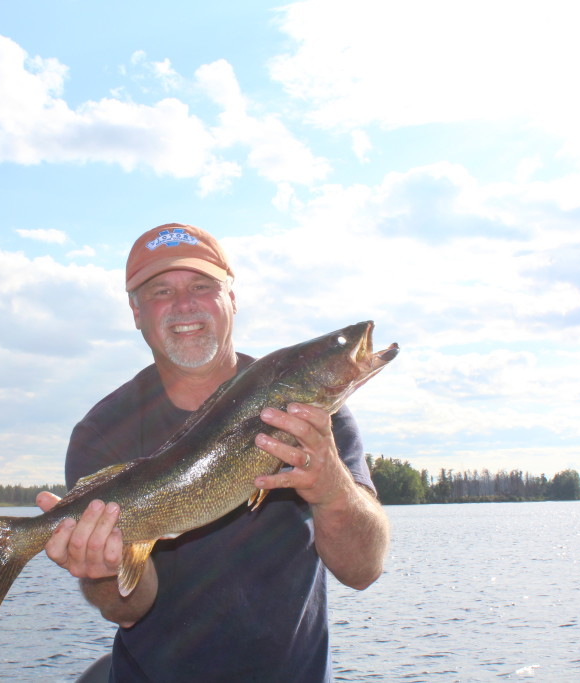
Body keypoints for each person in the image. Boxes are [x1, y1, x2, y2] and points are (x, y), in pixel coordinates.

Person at [35, 223, 390, 682]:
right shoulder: (103, 433)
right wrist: (102, 571)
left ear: (232, 298)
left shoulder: (314, 420)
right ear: (136, 311)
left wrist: (332, 487)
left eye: (202, 286)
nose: (184, 305)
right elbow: (128, 609)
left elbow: (363, 570)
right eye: (161, 291)